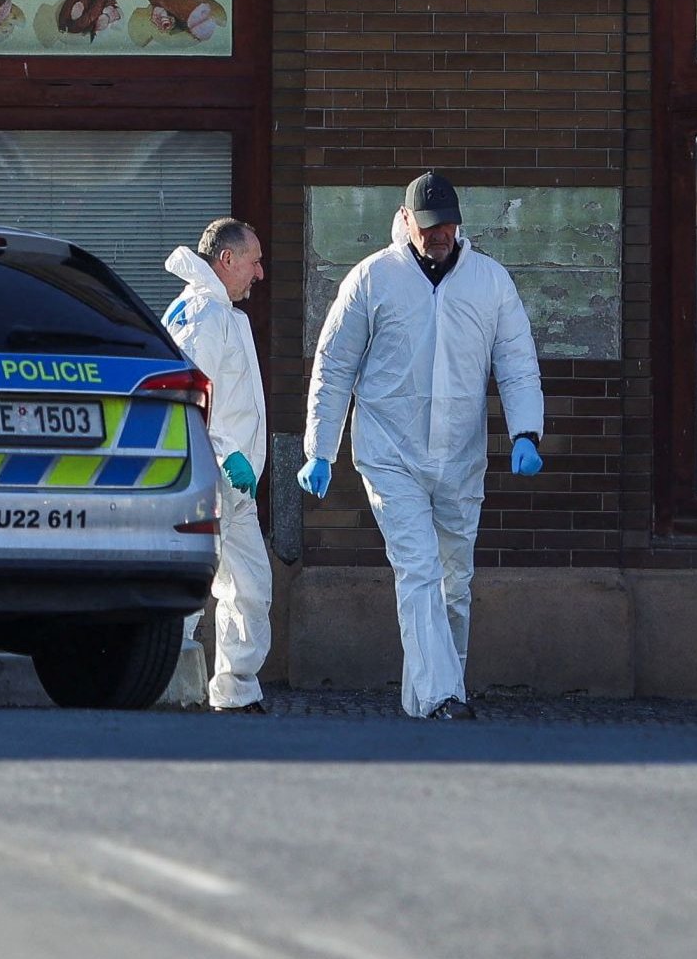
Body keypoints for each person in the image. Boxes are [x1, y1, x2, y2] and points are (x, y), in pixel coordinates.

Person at [298, 173, 544, 719]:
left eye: (448, 225)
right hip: (389, 451)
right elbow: (334, 365)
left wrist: (526, 431)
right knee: (419, 569)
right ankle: (442, 696)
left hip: (460, 453)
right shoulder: (372, 279)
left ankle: (429, 696)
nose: (439, 235)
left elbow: (517, 360)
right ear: (406, 220)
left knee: (455, 583)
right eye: (429, 226)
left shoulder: (489, 281)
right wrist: (320, 448)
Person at [160, 218, 275, 713]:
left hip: (230, 481)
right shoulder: (202, 315)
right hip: (208, 475)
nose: (260, 273)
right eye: (253, 261)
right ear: (226, 260)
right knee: (193, 585)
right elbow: (190, 398)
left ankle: (235, 691)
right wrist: (228, 453)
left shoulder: (220, 312)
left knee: (248, 587)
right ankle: (167, 686)